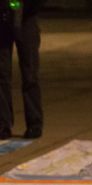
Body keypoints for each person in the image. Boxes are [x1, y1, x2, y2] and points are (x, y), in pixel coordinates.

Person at [0, 0, 43, 139]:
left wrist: (20, 6)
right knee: (2, 75)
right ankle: (3, 125)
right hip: (2, 20)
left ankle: (34, 123)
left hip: (27, 19)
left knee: (30, 74)